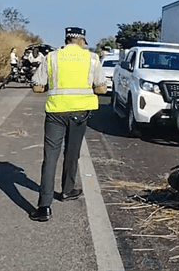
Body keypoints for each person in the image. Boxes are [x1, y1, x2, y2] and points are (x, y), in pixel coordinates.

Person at [29, 27, 107, 222]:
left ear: (67, 39)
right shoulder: (92, 58)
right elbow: (102, 88)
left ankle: (44, 206)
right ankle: (67, 190)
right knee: (72, 153)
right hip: (80, 113)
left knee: (50, 157)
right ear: (81, 41)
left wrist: (51, 87)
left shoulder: (52, 57)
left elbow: (37, 87)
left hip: (56, 112)